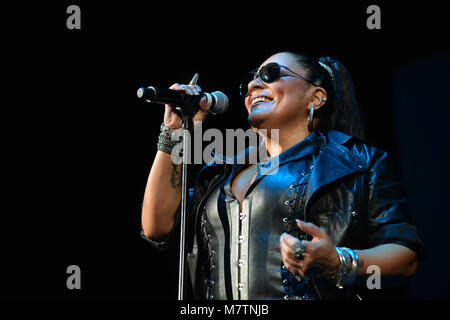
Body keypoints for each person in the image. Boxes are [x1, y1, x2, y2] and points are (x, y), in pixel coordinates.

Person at [141, 51, 426, 300]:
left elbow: (406, 257)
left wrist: (339, 261)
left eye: (271, 74)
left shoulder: (359, 163)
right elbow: (157, 227)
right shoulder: (218, 172)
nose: (253, 86)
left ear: (316, 96)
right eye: (250, 82)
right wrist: (175, 134)